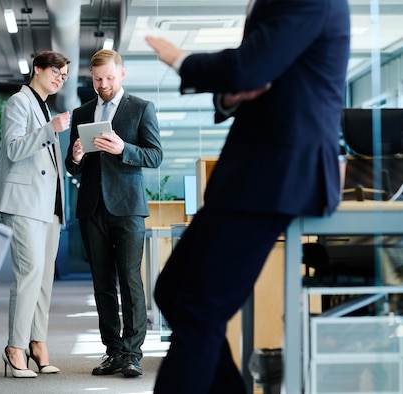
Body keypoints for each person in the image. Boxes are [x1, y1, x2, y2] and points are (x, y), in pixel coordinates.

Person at [144, 0, 350, 391]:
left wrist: (180, 59)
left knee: (199, 310)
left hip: (278, 173)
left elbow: (248, 67)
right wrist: (230, 95)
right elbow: (253, 77)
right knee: (172, 290)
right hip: (251, 171)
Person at [65, 49, 163, 377]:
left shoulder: (141, 108)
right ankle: (114, 352)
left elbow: (155, 156)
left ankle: (133, 353)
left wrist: (124, 149)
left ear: (121, 74)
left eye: (108, 78)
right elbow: (71, 165)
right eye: (97, 79)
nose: (103, 84)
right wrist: (76, 156)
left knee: (130, 279)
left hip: (128, 209)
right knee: (102, 284)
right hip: (92, 208)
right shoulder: (82, 113)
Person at [0, 51, 71, 378]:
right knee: (29, 273)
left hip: (48, 205)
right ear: (37, 68)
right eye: (55, 71)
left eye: (63, 76)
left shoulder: (44, 106)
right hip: (24, 202)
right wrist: (50, 129)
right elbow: (13, 148)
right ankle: (15, 347)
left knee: (44, 279)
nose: (58, 78)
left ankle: (38, 343)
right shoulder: (19, 103)